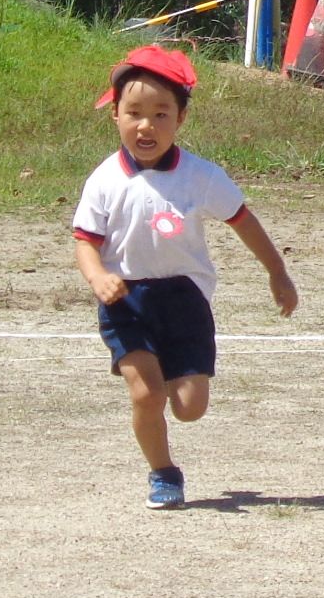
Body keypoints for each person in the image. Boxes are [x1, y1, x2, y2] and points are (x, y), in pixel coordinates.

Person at [72, 44, 298, 511]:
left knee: (190, 407)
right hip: (125, 300)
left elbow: (243, 221)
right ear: (114, 114)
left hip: (184, 300)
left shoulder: (201, 177)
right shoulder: (104, 180)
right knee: (146, 393)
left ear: (181, 119)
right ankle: (163, 473)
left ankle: (179, 388)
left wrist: (277, 272)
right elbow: (85, 241)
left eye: (160, 114)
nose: (146, 125)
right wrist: (97, 277)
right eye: (133, 112)